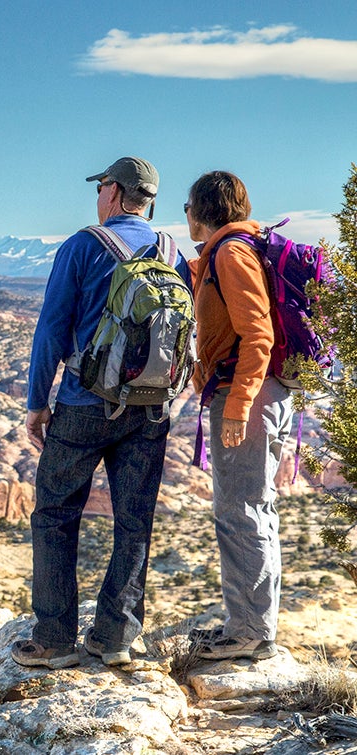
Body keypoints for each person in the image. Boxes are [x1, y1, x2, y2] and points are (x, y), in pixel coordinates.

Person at [12, 156, 192, 669]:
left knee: (54, 515)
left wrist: (36, 403)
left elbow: (50, 329)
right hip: (150, 409)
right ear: (149, 200)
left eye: (101, 187)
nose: (98, 195)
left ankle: (53, 639)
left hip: (84, 405)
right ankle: (115, 637)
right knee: (134, 522)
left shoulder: (84, 245)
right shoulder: (170, 251)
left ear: (113, 192)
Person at [184, 170, 289, 661]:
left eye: (187, 206)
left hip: (247, 396)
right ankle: (250, 625)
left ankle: (248, 633)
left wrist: (239, 406)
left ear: (202, 210)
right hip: (262, 392)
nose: (184, 215)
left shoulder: (230, 252)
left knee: (240, 511)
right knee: (253, 509)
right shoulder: (230, 250)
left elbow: (259, 334)